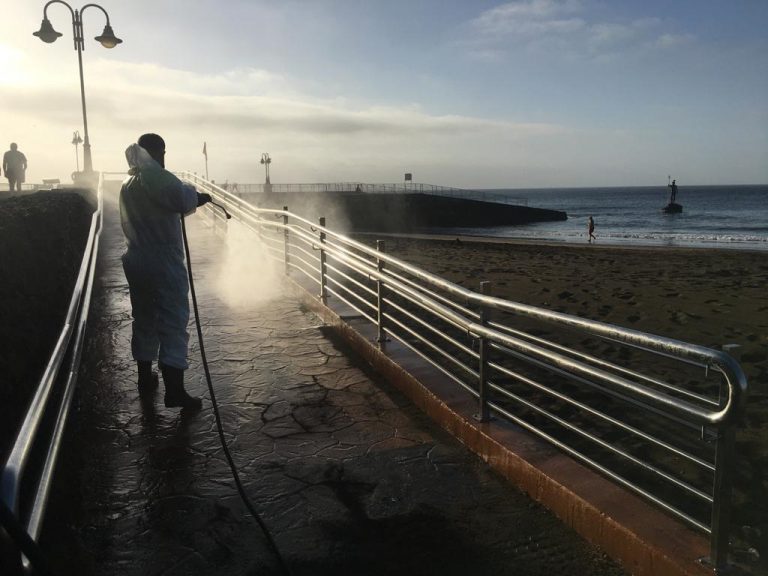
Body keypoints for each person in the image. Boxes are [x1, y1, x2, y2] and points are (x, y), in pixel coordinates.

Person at [119, 133, 212, 410]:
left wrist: (190, 199)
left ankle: (145, 377)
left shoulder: (129, 181)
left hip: (136, 257)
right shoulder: (155, 176)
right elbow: (180, 198)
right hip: (162, 261)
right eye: (162, 152)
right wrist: (198, 196)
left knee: (144, 317)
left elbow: (161, 206)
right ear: (157, 151)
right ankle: (175, 391)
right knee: (173, 321)